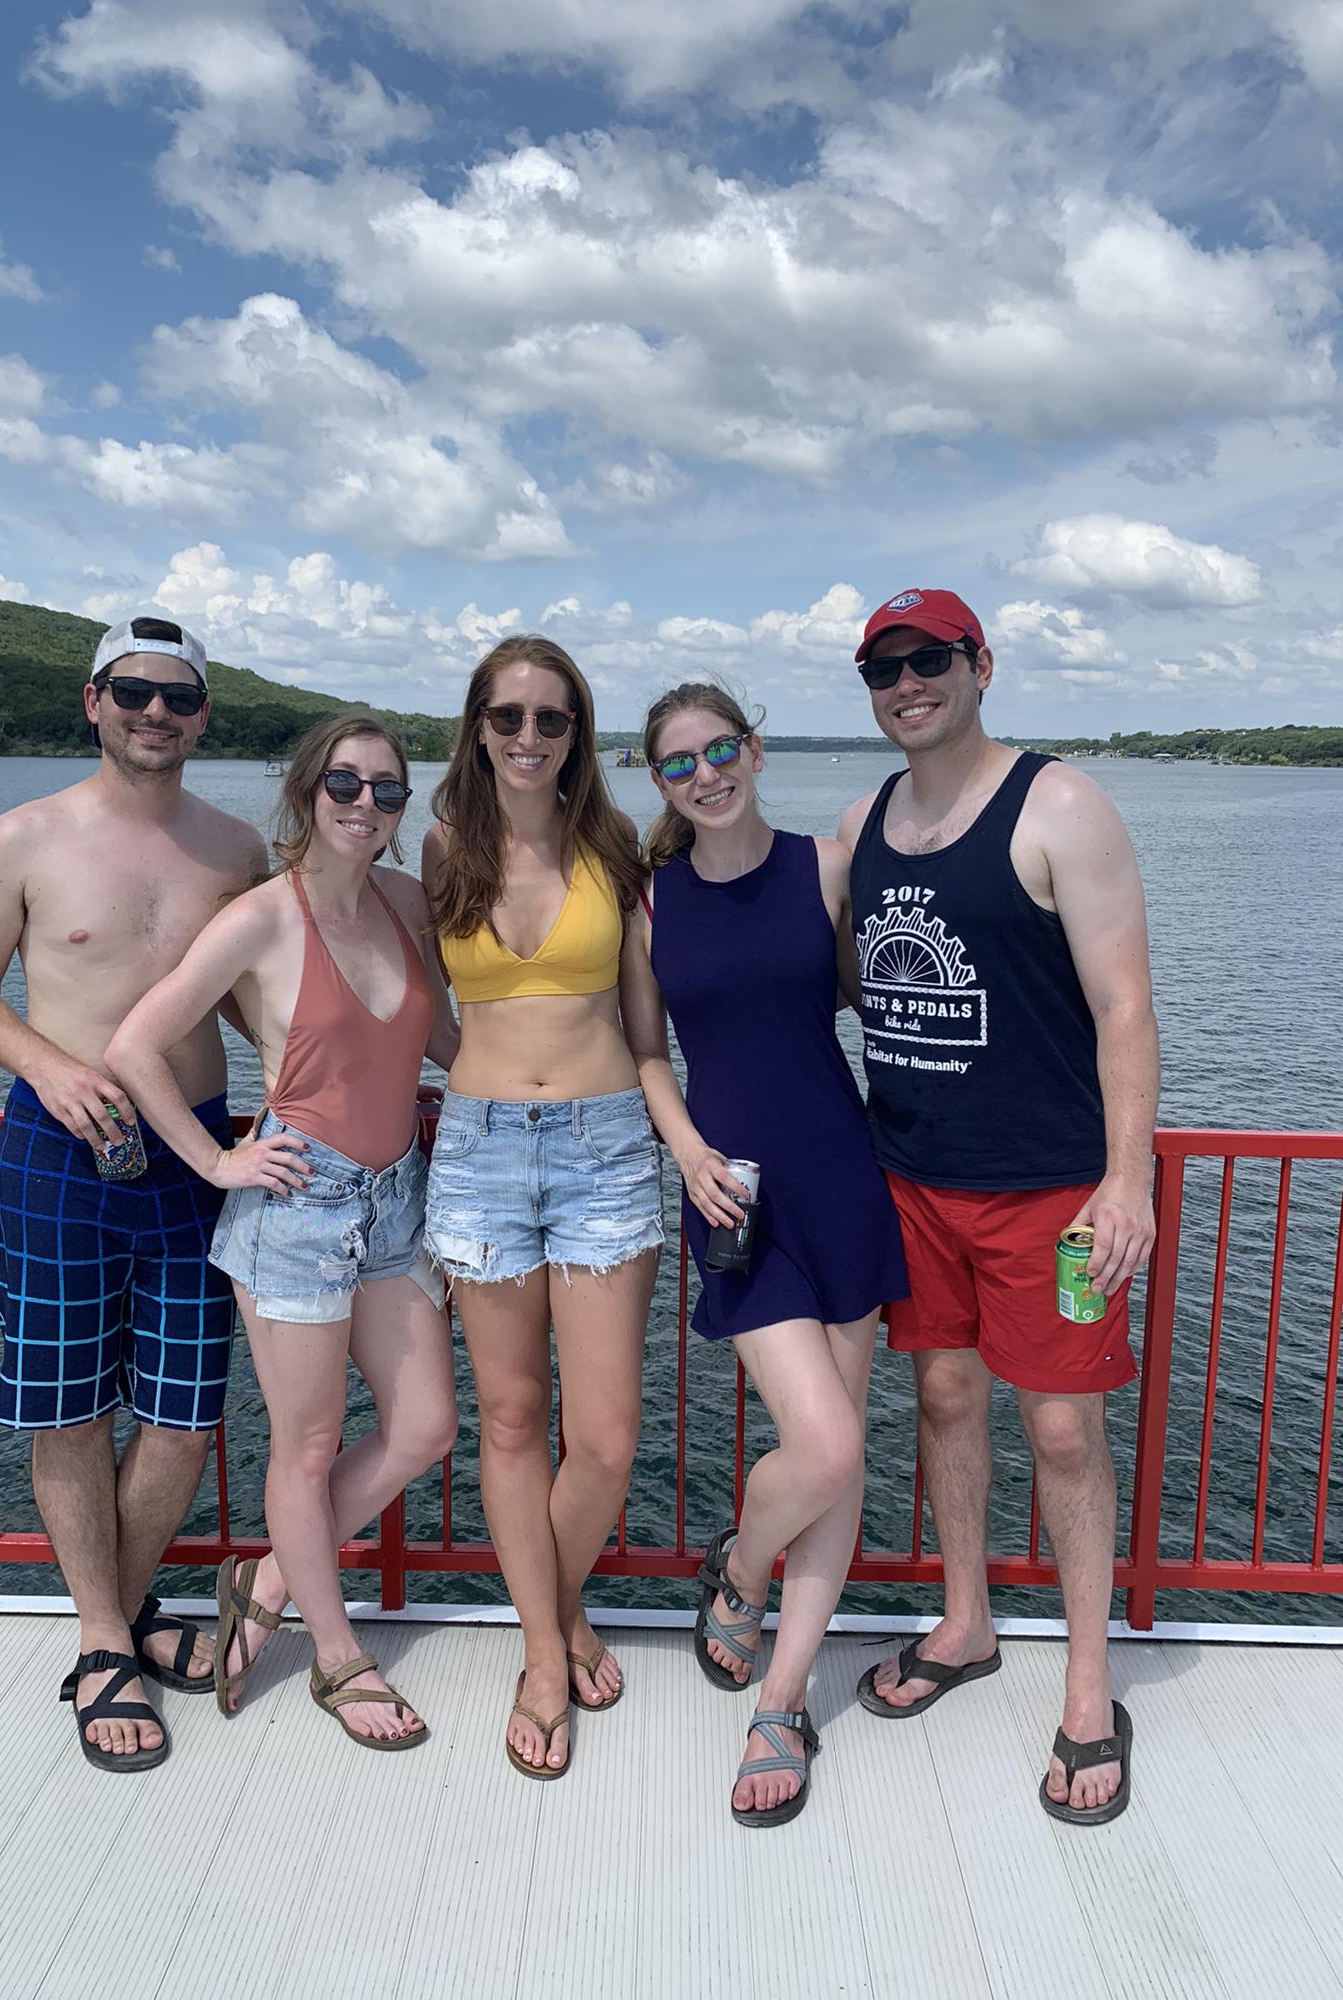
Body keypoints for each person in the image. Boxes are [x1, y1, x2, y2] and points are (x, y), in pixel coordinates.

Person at [839, 587, 1157, 1825]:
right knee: (944, 1394)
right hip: (915, 1180)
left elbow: (1125, 1003)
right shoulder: (871, 815)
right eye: (883, 668)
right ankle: (966, 1622)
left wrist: (1126, 1177)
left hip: (1055, 1196)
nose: (907, 683)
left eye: (928, 660)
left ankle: (1089, 1686)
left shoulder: (1061, 804)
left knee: (1066, 1429)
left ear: (981, 665)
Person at [0, 616, 269, 1771]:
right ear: (93, 699)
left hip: (197, 1150)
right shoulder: (20, 838)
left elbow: (250, 997)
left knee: (181, 1413)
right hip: (59, 1146)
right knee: (67, 1406)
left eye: (178, 698)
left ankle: (108, 1632)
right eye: (133, 690)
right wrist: (46, 1060)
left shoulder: (233, 850)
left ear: (203, 716)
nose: (155, 712)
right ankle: (105, 1634)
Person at [106, 715, 460, 1748]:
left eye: (387, 790)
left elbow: (441, 1037)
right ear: (309, 792)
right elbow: (136, 1044)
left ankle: (265, 1577)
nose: (364, 804)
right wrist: (217, 1159)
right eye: (344, 784)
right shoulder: (262, 919)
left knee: (426, 1424)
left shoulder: (404, 901)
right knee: (304, 1449)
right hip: (298, 1208)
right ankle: (338, 1655)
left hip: (396, 1199)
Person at [621, 682, 907, 1826]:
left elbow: (876, 998)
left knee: (837, 1462)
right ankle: (743, 1565)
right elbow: (649, 1054)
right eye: (680, 761)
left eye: (721, 748)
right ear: (660, 780)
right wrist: (686, 1148)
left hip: (842, 1176)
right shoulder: (653, 898)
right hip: (732, 1193)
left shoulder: (825, 866)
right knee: (827, 1442)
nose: (706, 773)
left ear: (752, 747)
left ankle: (782, 1695)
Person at [422, 635, 662, 1779]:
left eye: (551, 719)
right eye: (508, 715)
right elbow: (404, 994)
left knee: (603, 1434)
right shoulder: (438, 847)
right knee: (512, 1420)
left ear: (578, 735)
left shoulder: (612, 845)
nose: (528, 736)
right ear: (477, 726)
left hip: (605, 1143)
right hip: (475, 1149)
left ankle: (554, 1603)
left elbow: (649, 1013)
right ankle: (543, 1642)